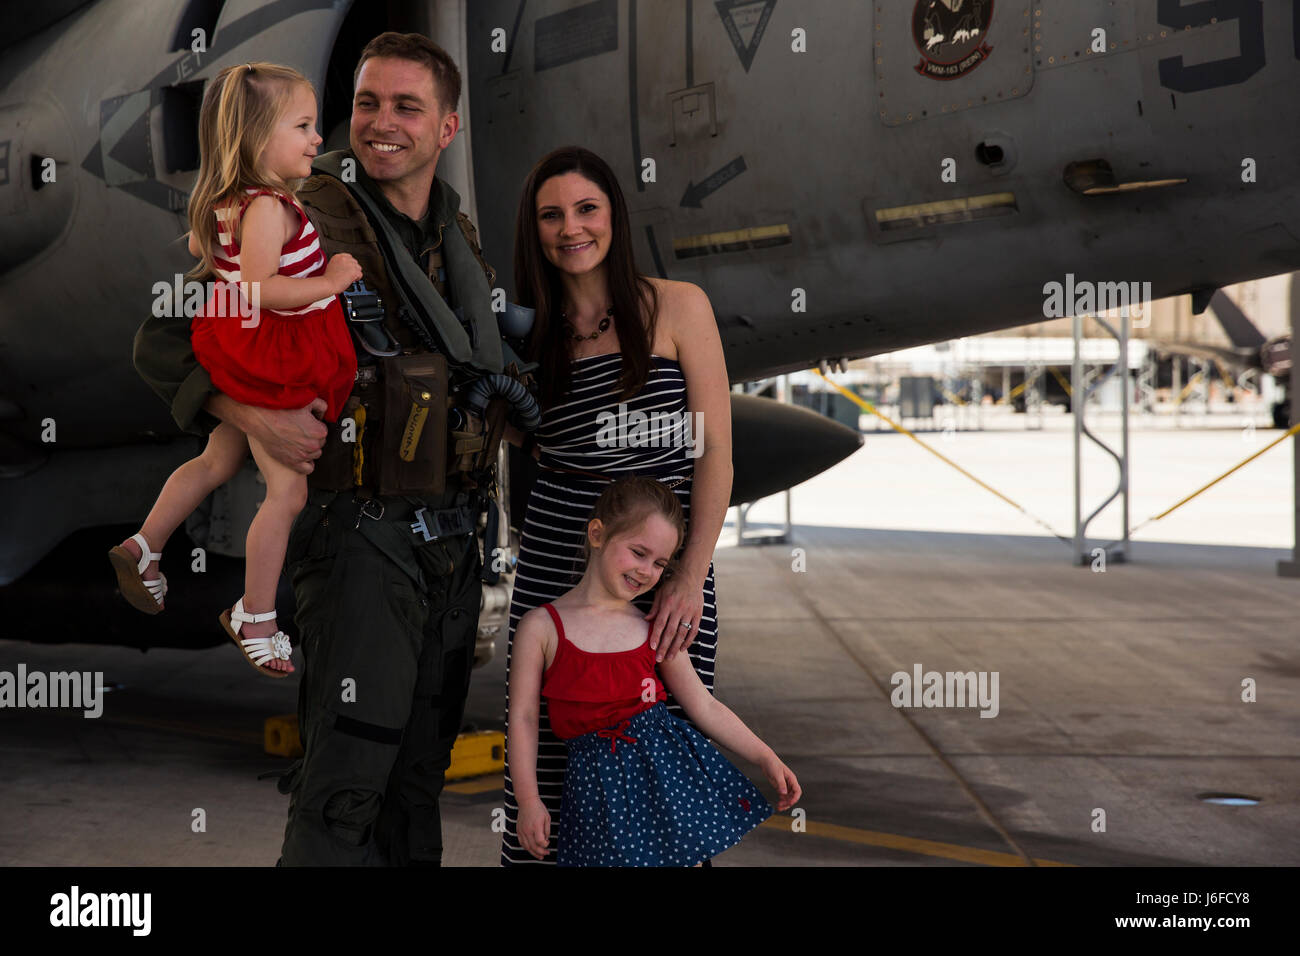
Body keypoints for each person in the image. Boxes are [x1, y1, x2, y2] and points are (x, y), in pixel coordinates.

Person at [132, 33, 525, 865]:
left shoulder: (453, 235)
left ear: (447, 128)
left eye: (406, 107)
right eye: (367, 104)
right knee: (343, 792)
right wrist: (252, 415)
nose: (380, 124)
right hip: (361, 544)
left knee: (415, 790)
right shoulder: (304, 214)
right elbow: (168, 338)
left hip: (451, 547)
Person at [500, 146, 734, 864]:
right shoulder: (529, 336)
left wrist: (689, 575)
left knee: (662, 772)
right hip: (555, 573)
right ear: (534, 230)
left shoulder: (678, 307)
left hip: (664, 574)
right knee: (548, 781)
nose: (571, 228)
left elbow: (716, 455)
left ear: (614, 216)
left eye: (586, 209)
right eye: (551, 215)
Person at [109, 62, 361, 678]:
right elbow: (255, 287)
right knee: (287, 491)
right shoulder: (271, 208)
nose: (316, 139)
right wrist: (329, 278)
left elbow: (206, 253)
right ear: (254, 139)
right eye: (301, 126)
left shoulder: (227, 203)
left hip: (237, 347)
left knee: (218, 461)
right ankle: (255, 615)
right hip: (275, 354)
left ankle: (145, 546)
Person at [509, 477, 800, 866]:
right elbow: (524, 719)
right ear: (597, 534)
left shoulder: (653, 626)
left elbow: (704, 706)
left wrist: (765, 757)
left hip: (668, 788)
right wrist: (528, 801)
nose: (647, 571)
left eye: (660, 563)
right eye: (638, 552)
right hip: (596, 800)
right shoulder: (541, 628)